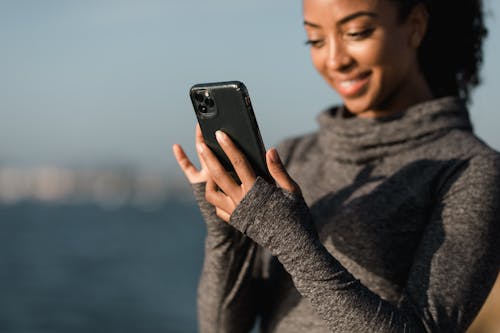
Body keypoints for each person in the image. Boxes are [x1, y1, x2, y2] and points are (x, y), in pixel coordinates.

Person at [172, 0, 500, 331]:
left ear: (415, 25)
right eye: (315, 40)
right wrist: (229, 233)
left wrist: (289, 239)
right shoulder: (293, 154)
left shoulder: (474, 170)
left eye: (357, 32)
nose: (334, 60)